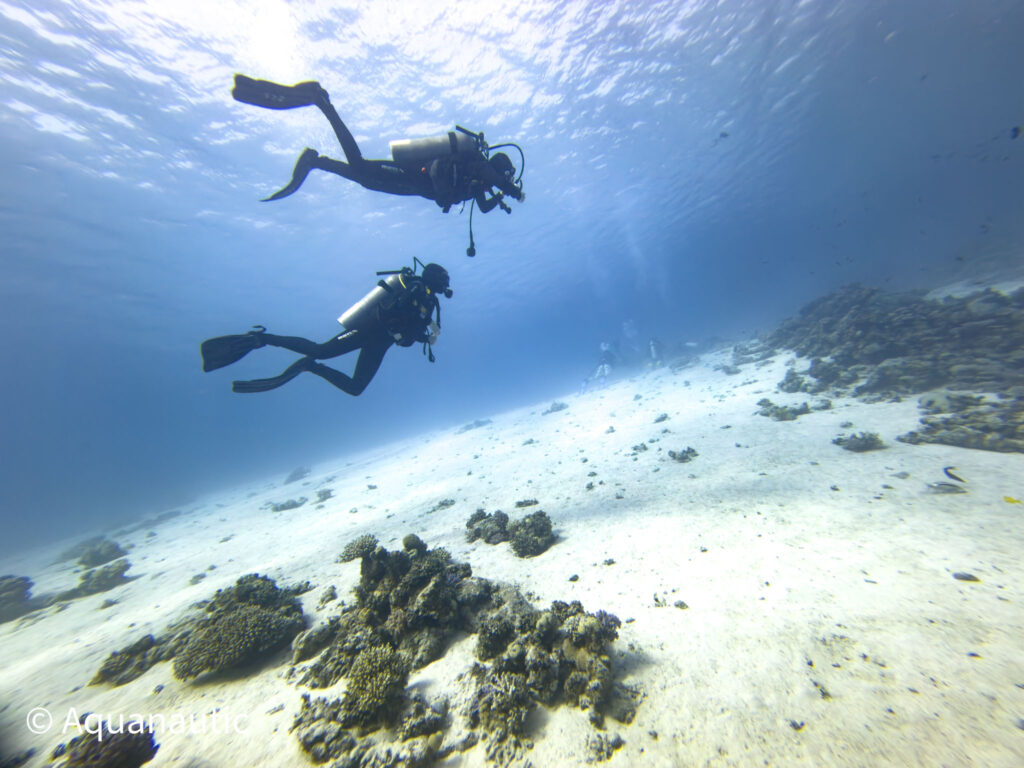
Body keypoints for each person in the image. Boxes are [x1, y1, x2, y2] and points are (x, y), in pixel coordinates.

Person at [231, 75, 524, 214]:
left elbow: (484, 207)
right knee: (359, 167)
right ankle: (322, 103)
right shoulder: (479, 167)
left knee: (365, 181)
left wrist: (498, 197)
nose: (498, 184)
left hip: (414, 185)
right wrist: (514, 193)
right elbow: (495, 180)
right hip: (413, 176)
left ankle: (317, 161)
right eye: (502, 177)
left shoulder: (475, 182)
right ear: (498, 168)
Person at [200, 263, 451, 395]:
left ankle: (309, 366)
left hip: (379, 344)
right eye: (444, 279)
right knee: (321, 350)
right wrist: (415, 334)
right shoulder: (417, 291)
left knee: (355, 388)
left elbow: (410, 330)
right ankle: (262, 338)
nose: (446, 283)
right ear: (434, 278)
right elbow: (393, 315)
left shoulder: (429, 300)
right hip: (367, 331)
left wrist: (426, 337)